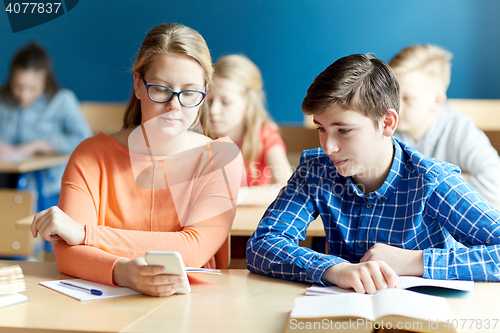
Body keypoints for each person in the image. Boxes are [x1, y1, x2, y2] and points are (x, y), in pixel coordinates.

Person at [246, 53, 500, 294]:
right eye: (321, 128)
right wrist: (335, 269)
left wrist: (416, 261)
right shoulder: (315, 169)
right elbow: (262, 245)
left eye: (343, 130)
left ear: (387, 123)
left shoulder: (433, 181)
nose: (328, 146)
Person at [31, 23, 243, 297]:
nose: (174, 105)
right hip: (103, 309)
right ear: (138, 84)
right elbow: (68, 256)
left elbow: (192, 249)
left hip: (191, 305)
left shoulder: (221, 160)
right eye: (161, 89)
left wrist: (86, 234)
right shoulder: (91, 156)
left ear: (203, 93)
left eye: (189, 92)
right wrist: (124, 272)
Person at [390, 44, 500, 207]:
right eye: (391, 94)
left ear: (437, 101)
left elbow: (495, 185)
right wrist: (460, 180)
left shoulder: (459, 129)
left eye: (407, 98)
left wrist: (426, 185)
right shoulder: (385, 129)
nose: (394, 106)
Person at [0, 43, 92, 206]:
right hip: (6, 182)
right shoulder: (3, 98)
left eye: (32, 88)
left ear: (45, 80)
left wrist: (39, 145)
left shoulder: (62, 100)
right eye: (18, 87)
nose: (24, 95)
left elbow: (85, 140)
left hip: (47, 188)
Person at [208, 54, 293, 205]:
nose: (213, 110)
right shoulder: (203, 137)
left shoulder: (265, 135)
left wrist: (235, 196)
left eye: (225, 102)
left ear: (249, 104)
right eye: (210, 101)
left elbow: (287, 187)